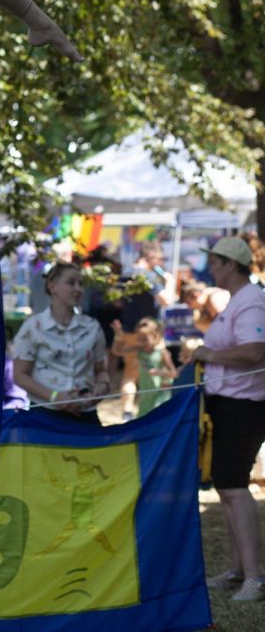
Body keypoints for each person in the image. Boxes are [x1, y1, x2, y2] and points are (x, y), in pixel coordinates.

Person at [179, 237, 265, 601]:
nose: (210, 269)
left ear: (231, 264)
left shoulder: (251, 302)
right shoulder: (238, 302)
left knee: (233, 487)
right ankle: (239, 570)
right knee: (227, 487)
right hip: (228, 404)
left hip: (243, 407)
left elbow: (254, 352)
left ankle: (255, 578)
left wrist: (206, 353)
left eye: (215, 263)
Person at [12, 262, 110, 423]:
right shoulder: (33, 327)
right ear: (52, 286)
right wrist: (55, 397)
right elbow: (19, 375)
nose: (79, 289)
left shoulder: (92, 327)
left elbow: (101, 371)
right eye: (71, 283)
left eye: (81, 283)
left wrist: (100, 390)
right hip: (46, 416)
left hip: (85, 415)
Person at [133, 317, 176, 417]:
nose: (141, 342)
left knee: (156, 417)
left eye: (144, 339)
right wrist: (118, 335)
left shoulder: (162, 353)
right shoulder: (140, 350)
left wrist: (159, 372)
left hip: (159, 395)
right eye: (139, 339)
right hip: (146, 394)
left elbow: (174, 373)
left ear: (155, 336)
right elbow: (117, 351)